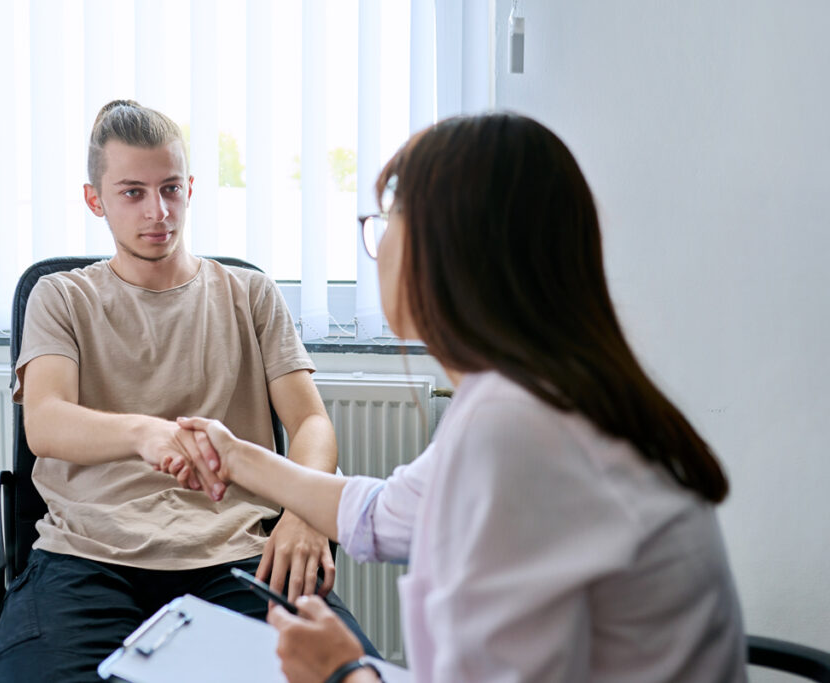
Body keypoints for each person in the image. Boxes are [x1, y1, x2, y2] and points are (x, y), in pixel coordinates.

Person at [172, 113, 747, 682]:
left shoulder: (515, 426)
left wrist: (342, 672)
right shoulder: (549, 390)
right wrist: (239, 456)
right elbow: (380, 515)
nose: (378, 243)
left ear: (445, 248)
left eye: (388, 218)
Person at [0, 100, 376, 682]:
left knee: (340, 674)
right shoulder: (61, 297)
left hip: (232, 553)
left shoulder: (251, 294)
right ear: (96, 200)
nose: (158, 211)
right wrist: (146, 433)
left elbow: (311, 423)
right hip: (87, 557)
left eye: (170, 189)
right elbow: (45, 421)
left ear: (189, 187)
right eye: (132, 192)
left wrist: (304, 512)